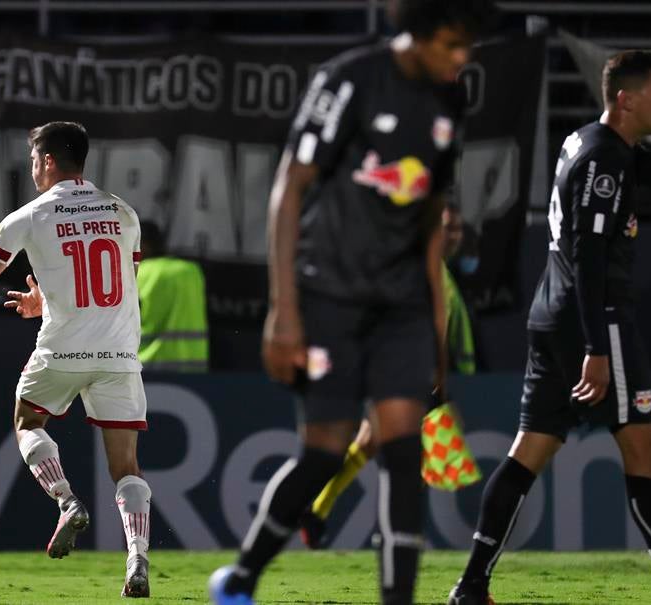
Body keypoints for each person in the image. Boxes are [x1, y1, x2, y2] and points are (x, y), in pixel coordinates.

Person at [446, 51, 651, 605]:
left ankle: (471, 586)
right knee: (645, 448)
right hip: (596, 320)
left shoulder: (598, 145)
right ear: (626, 97)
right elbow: (588, 253)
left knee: (531, 450)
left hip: (555, 314)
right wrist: (596, 346)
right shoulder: (605, 160)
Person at [208, 2, 493, 604]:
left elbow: (430, 225)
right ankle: (242, 577)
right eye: (449, 43)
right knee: (325, 452)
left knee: (401, 449)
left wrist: (434, 336)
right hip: (328, 297)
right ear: (413, 33)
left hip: (401, 306)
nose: (460, 59)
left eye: (467, 46)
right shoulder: (349, 80)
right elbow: (289, 188)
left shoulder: (450, 101)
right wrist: (283, 310)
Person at [0, 122, 153, 599]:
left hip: (61, 350)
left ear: (50, 161)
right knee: (127, 466)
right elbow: (114, 286)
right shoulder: (124, 213)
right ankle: (137, 556)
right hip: (119, 354)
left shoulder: (29, 216)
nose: (32, 169)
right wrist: (47, 301)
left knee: (26, 420)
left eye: (34, 160)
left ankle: (65, 499)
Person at [297, 204, 477, 549]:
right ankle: (395, 532)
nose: (452, 236)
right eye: (445, 228)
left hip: (399, 369)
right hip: (406, 372)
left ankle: (319, 510)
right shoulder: (426, 272)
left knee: (370, 443)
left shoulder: (434, 270)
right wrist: (434, 378)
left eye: (456, 229)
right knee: (410, 452)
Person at [136, 221, 208, 372]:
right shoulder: (192, 271)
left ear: (143, 244)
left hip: (149, 366)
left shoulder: (138, 273)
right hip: (194, 366)